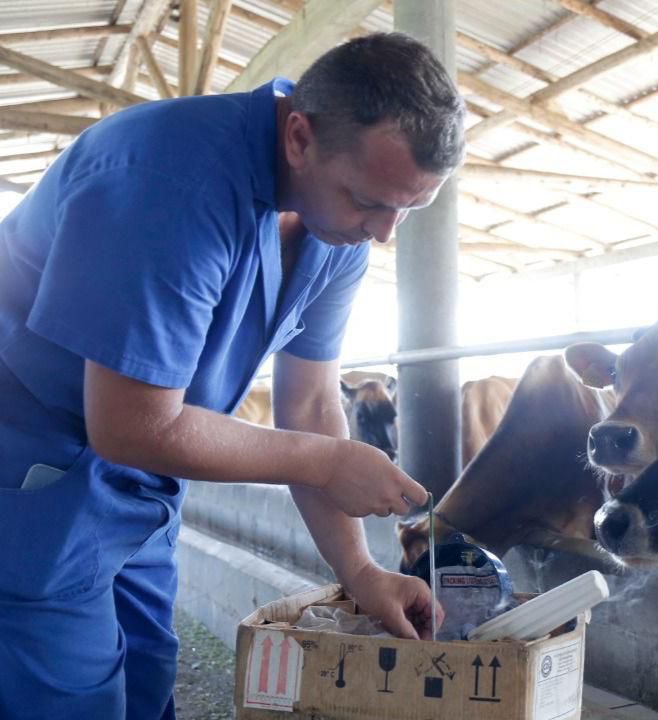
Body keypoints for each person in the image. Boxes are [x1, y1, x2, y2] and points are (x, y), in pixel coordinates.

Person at [0, 32, 463, 719]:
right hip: (33, 467)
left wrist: (361, 571)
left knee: (149, 675)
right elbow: (131, 424)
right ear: (300, 138)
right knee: (68, 699)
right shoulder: (168, 181)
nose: (384, 232)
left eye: (407, 209)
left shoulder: (332, 227)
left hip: (141, 485)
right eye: (371, 201)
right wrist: (327, 460)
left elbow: (308, 404)